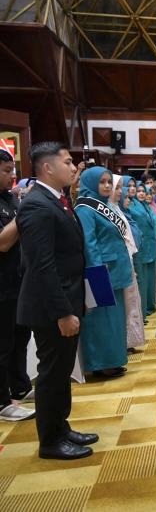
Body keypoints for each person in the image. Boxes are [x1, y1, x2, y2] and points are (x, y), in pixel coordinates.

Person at [16, 141, 97, 459]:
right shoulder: (36, 205)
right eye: (67, 162)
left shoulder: (58, 200)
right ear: (47, 168)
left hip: (65, 300)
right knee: (51, 374)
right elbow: (42, 266)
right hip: (49, 308)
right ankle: (50, 441)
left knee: (62, 370)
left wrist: (80, 300)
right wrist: (64, 311)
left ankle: (60, 427)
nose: (73, 167)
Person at [74, 167, 133, 379]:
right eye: (102, 182)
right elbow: (89, 245)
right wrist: (97, 275)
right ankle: (100, 364)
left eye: (109, 181)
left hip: (115, 270)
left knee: (114, 319)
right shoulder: (85, 208)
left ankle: (114, 359)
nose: (107, 186)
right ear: (90, 183)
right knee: (100, 320)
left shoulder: (106, 205)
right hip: (100, 272)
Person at [0, 149, 35, 422]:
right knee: (3, 344)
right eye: (7, 170)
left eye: (13, 170)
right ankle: (2, 401)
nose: (13, 176)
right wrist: (22, 212)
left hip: (18, 281)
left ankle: (21, 386)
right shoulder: (14, 204)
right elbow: (4, 242)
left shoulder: (10, 199)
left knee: (20, 338)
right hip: (2, 286)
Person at [110, 175, 145, 354]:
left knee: (131, 302)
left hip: (128, 262)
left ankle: (130, 341)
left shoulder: (118, 209)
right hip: (115, 266)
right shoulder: (105, 209)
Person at [129, 184, 156, 317]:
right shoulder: (130, 206)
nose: (141, 193)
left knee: (150, 281)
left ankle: (148, 308)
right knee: (143, 281)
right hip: (140, 248)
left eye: (143, 191)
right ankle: (143, 311)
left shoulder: (147, 207)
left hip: (151, 247)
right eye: (139, 191)